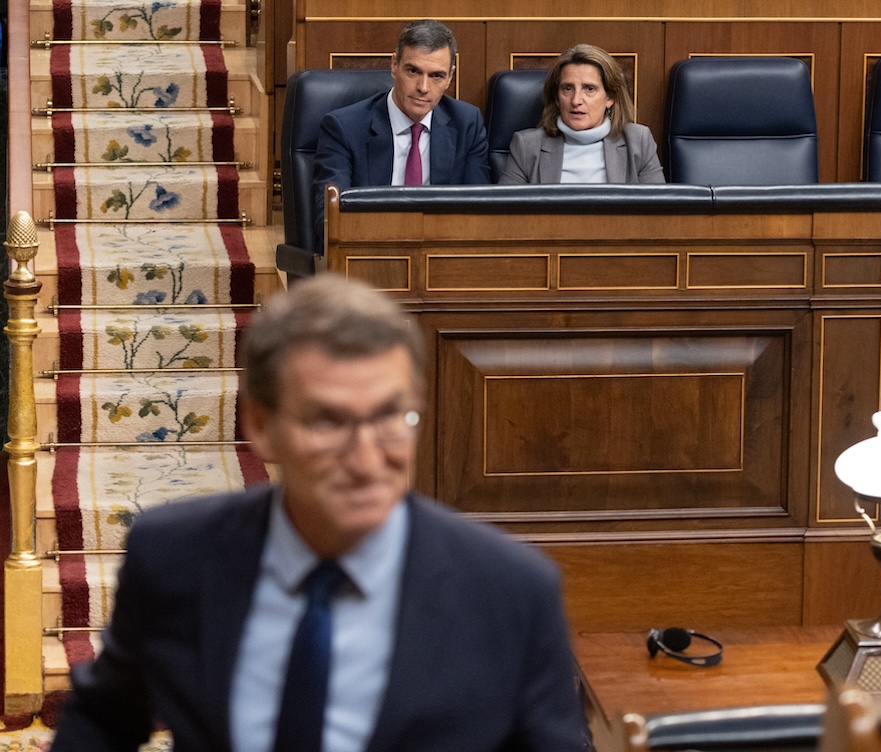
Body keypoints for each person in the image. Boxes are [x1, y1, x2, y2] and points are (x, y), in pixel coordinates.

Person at [50, 275, 589, 752]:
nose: (365, 459)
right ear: (260, 425)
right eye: (329, 423)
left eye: (390, 416)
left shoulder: (512, 594)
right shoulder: (173, 556)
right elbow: (102, 720)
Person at [311, 20, 490, 249]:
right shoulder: (344, 128)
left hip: (442, 257)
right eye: (413, 71)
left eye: (436, 76)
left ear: (450, 78)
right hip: (368, 255)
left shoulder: (467, 123)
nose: (423, 87)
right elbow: (328, 220)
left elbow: (480, 213)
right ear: (394, 65)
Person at [498, 44, 665, 184]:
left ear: (610, 97)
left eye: (589, 89)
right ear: (557, 97)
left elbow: (658, 213)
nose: (576, 100)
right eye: (567, 88)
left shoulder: (638, 141)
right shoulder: (527, 146)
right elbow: (505, 215)